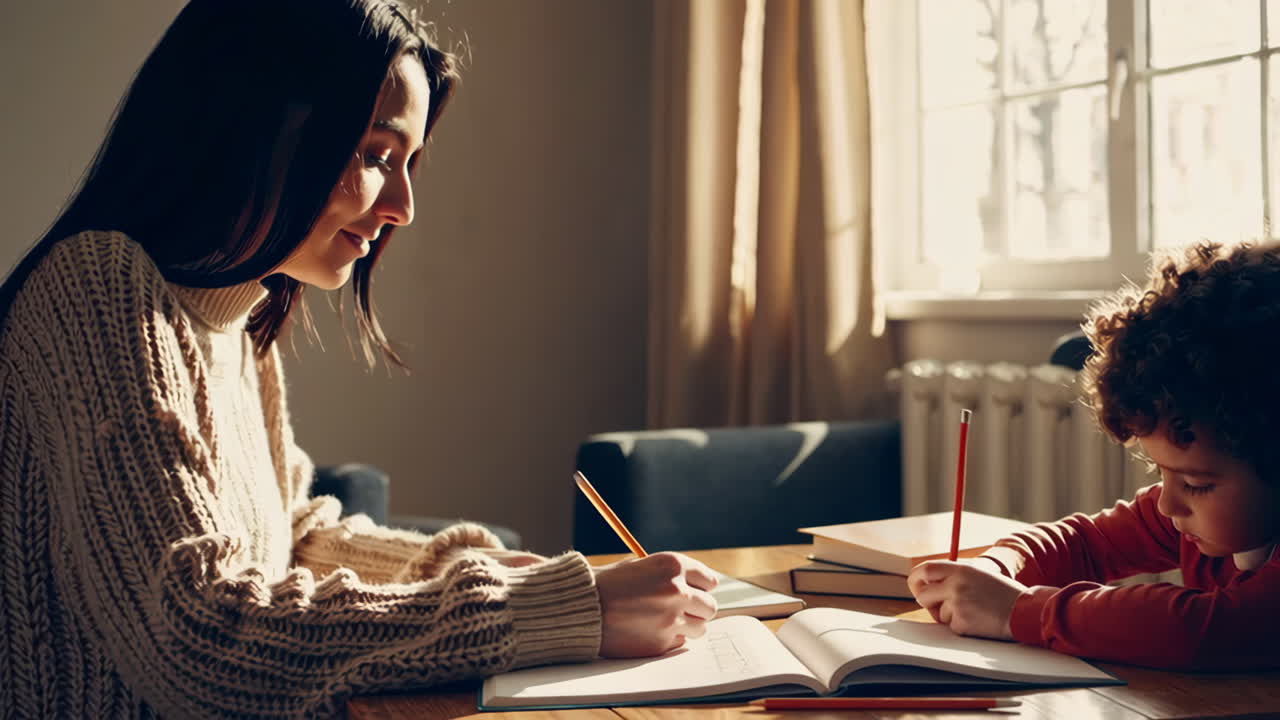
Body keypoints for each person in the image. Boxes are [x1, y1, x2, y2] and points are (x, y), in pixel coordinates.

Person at [0, 1, 718, 717]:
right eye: (377, 155)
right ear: (259, 121)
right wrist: (540, 610)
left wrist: (471, 570)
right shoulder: (96, 289)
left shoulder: (233, 320)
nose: (403, 205)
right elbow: (200, 636)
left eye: (407, 163)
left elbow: (295, 538)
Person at [908, 241, 1280, 671]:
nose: (1166, 504)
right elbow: (1086, 542)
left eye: (1196, 484)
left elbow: (1204, 630)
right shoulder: (1186, 515)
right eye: (1160, 472)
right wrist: (997, 568)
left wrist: (1019, 611)